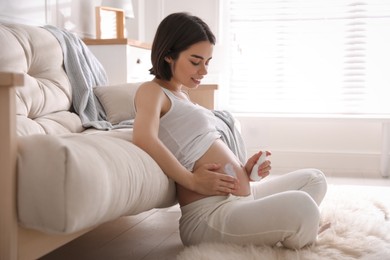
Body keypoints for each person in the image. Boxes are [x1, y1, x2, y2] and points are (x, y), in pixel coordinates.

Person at [133, 12, 327, 249]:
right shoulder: (151, 91)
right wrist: (192, 181)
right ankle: (297, 233)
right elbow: (144, 137)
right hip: (210, 215)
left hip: (242, 197)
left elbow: (203, 147)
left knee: (315, 179)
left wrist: (246, 172)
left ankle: (281, 230)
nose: (203, 71)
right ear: (168, 57)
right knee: (303, 207)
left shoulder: (183, 95)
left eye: (207, 62)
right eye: (195, 61)